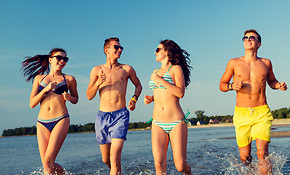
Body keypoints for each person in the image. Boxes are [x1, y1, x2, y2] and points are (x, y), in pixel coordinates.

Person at [219, 29, 287, 175]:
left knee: (262, 153)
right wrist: (231, 86)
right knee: (245, 157)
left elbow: (272, 81)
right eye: (245, 37)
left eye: (252, 37)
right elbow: (222, 85)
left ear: (259, 43)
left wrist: (279, 85)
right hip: (241, 113)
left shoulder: (266, 62)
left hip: (262, 112)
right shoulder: (234, 62)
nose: (247, 39)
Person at [86, 37, 142, 175]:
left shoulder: (127, 69)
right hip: (102, 117)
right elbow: (89, 95)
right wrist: (98, 83)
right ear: (107, 50)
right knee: (106, 159)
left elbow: (138, 85)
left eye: (120, 47)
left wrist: (134, 98)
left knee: (115, 156)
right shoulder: (96, 70)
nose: (119, 50)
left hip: (120, 115)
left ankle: (116, 171)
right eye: (116, 47)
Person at [21, 48, 79, 175]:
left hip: (61, 119)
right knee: (47, 165)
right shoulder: (39, 79)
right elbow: (32, 103)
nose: (63, 61)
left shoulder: (69, 79)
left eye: (65, 59)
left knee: (48, 161)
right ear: (50, 59)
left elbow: (76, 99)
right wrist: (44, 90)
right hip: (42, 123)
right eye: (60, 58)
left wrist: (69, 98)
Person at [144, 39, 192, 175]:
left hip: (176, 122)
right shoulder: (155, 71)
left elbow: (180, 93)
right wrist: (152, 98)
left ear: (167, 52)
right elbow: (162, 93)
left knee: (181, 166)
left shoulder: (176, 69)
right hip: (157, 122)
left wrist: (161, 80)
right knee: (159, 165)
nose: (155, 52)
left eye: (158, 49)